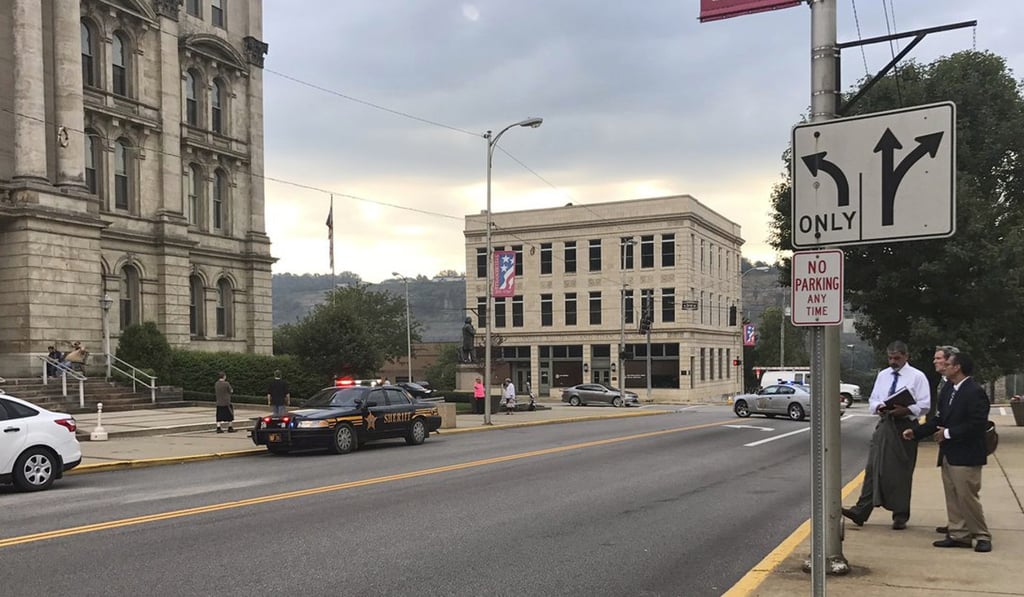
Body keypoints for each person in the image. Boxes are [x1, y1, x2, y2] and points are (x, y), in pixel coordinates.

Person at [903, 351, 992, 552]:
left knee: (967, 496)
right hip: (949, 453)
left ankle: (981, 535)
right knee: (952, 496)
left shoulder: (974, 391)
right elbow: (939, 419)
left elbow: (977, 424)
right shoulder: (949, 390)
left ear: (957, 367)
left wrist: (949, 433)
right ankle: (959, 534)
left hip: (967, 454)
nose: (944, 365)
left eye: (948, 363)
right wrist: (916, 432)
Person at [842, 340, 931, 530]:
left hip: (905, 425)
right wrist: (879, 406)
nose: (893, 362)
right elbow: (873, 399)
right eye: (890, 358)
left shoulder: (917, 377)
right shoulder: (883, 375)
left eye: (897, 358)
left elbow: (925, 404)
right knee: (873, 467)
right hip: (885, 424)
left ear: (906, 356)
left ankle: (900, 514)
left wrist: (906, 409)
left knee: (900, 470)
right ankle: (861, 510)